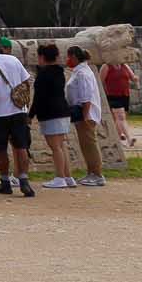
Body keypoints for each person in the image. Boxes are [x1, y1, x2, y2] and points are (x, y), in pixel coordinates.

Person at [0, 34, 35, 197]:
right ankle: (24, 180)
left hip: (0, 113)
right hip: (18, 110)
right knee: (21, 146)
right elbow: (26, 82)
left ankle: (5, 181)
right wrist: (25, 103)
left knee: (1, 148)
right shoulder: (14, 60)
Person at [32, 42, 77, 188]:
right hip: (62, 111)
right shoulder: (59, 72)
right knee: (61, 145)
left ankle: (59, 177)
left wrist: (30, 114)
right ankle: (68, 176)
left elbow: (38, 98)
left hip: (51, 113)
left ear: (42, 57)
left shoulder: (43, 75)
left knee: (55, 146)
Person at [63, 45, 107, 186]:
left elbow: (86, 96)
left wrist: (86, 114)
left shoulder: (82, 73)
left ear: (74, 57)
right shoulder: (80, 71)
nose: (67, 60)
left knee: (90, 144)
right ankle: (91, 172)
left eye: (69, 57)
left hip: (85, 113)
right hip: (81, 112)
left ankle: (97, 174)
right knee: (85, 144)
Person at [100, 55, 137, 147]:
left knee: (118, 119)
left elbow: (132, 77)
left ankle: (116, 138)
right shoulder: (106, 66)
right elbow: (100, 81)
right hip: (112, 95)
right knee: (121, 117)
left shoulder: (124, 65)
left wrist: (136, 79)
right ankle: (129, 138)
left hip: (124, 95)